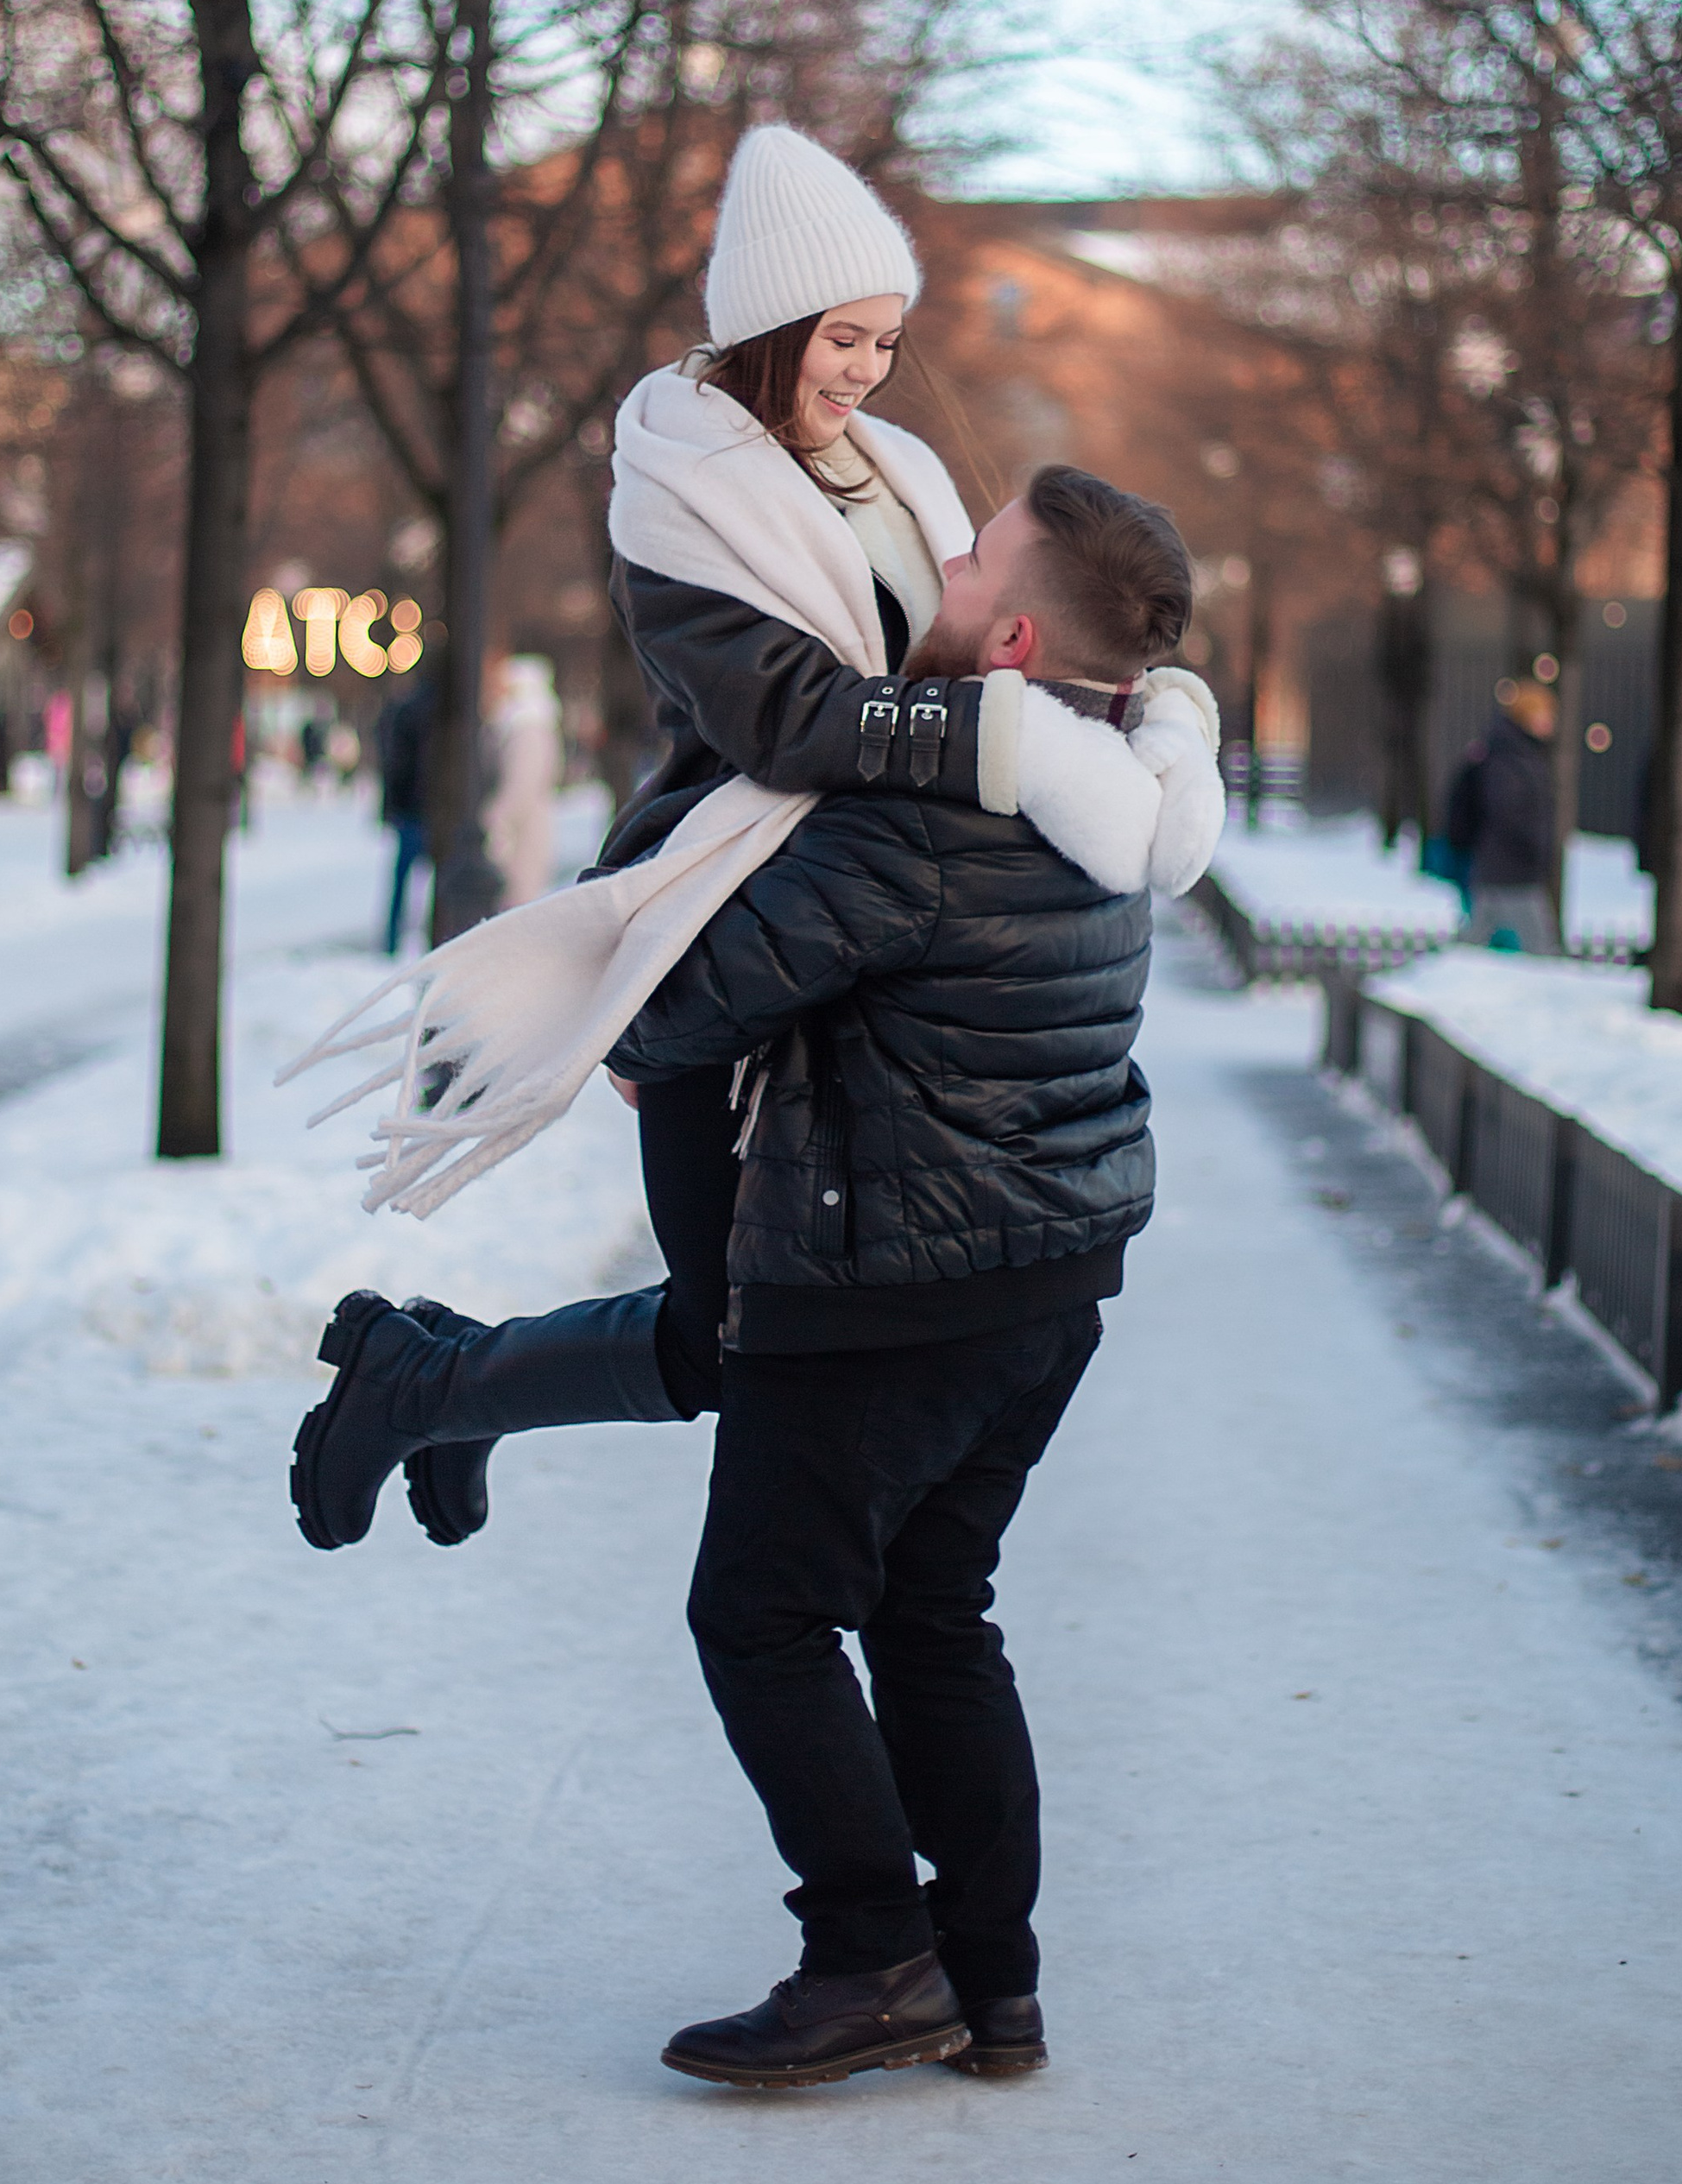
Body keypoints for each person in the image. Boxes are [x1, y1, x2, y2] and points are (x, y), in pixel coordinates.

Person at [299, 470, 1204, 2088]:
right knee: (934, 1614)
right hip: (1046, 1280)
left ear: (1010, 640)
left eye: (974, 554)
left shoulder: (923, 811)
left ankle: (872, 1957)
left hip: (884, 1287)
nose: (941, 555)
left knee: (764, 1618)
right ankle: (991, 1983)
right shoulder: (1120, 778)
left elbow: (674, 1006)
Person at [285, 126, 1217, 1555]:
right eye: (843, 338)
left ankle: (433, 1386)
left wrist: (1147, 710)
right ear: (771, 324)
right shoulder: (684, 491)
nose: (866, 372)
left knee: (732, 1332)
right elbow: (786, 719)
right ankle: (425, 1388)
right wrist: (1013, 743)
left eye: (887, 342)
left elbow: (1018, 633)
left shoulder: (893, 471)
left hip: (846, 932)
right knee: (728, 1335)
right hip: (725, 917)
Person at [1443, 677, 1561, 953]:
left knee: (1476, 939)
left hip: (1503, 867)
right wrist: (1532, 844)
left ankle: (1446, 969)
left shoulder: (1518, 753)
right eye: (1544, 714)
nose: (1550, 721)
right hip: (1511, 868)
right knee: (1541, 947)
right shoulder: (1511, 757)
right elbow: (1506, 809)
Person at [482, 653, 562, 907]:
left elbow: (521, 788)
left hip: (520, 835)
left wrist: (496, 821)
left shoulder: (528, 727)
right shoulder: (526, 725)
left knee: (515, 901)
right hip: (522, 830)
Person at [375, 669, 436, 956]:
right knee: (429, 879)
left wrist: (391, 807)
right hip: (423, 809)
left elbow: (394, 765)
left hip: (411, 809)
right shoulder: (435, 715)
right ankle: (409, 938)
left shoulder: (405, 711)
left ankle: (392, 938)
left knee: (402, 879)